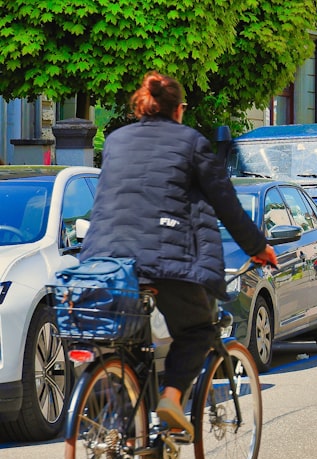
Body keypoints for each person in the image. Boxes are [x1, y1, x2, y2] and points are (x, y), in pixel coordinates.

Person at [81, 71, 278, 438]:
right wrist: (258, 247)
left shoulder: (116, 141)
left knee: (123, 342)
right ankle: (171, 398)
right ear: (178, 110)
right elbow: (227, 204)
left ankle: (119, 424)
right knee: (198, 329)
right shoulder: (192, 143)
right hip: (166, 261)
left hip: (105, 260)